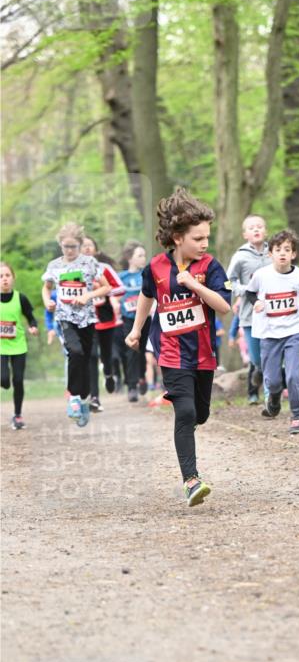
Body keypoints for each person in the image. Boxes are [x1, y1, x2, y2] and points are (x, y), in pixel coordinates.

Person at [125, 187, 230, 506]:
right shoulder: (155, 268)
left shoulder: (210, 266)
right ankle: (191, 480)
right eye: (198, 238)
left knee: (200, 413)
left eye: (207, 238)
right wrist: (136, 329)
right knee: (184, 411)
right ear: (177, 237)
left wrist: (194, 284)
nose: (204, 244)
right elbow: (146, 296)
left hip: (204, 354)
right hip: (170, 353)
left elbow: (224, 306)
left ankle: (187, 428)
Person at [245, 229, 299, 433]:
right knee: (273, 380)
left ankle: (297, 415)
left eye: (287, 250)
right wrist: (256, 302)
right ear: (270, 254)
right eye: (278, 249)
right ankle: (274, 399)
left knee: (293, 375)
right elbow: (250, 293)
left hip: (293, 331)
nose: (282, 253)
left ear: (293, 254)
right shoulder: (262, 275)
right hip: (268, 333)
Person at [41, 222, 111, 426]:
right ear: (60, 245)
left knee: (87, 357)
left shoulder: (89, 263)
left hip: (87, 318)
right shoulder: (54, 266)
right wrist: (48, 302)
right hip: (65, 317)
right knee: (75, 352)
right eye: (65, 246)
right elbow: (46, 288)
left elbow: (106, 288)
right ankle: (73, 397)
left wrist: (88, 294)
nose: (69, 250)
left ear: (80, 245)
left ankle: (84, 398)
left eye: (73, 246)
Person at [226, 214, 270, 403]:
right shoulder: (240, 256)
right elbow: (227, 282)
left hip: (272, 314)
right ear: (245, 234)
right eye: (252, 227)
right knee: (257, 359)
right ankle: (257, 372)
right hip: (249, 315)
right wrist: (244, 290)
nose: (256, 229)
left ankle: (270, 398)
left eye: (259, 226)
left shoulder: (274, 252)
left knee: (270, 357)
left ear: (265, 231)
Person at [81, 238, 125, 411]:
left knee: (106, 355)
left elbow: (120, 288)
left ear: (95, 251)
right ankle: (94, 398)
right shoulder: (74, 271)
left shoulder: (104, 269)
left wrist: (104, 291)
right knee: (91, 356)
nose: (85, 249)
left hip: (105, 318)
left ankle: (108, 373)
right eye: (82, 246)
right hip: (85, 319)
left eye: (89, 246)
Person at [0, 262, 39, 429]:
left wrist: (33, 326)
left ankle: (17, 415)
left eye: (7, 275)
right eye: (1, 277)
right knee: (4, 380)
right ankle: (4, 382)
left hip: (18, 345)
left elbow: (30, 317)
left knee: (18, 380)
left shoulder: (20, 298)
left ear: (13, 278)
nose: (4, 279)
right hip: (1, 347)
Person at [119, 240, 149, 402]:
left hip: (146, 319)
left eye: (144, 255)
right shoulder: (121, 277)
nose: (143, 258)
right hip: (128, 319)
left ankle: (142, 377)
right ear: (130, 258)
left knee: (144, 351)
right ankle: (131, 387)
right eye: (140, 256)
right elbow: (112, 293)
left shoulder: (147, 274)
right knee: (131, 351)